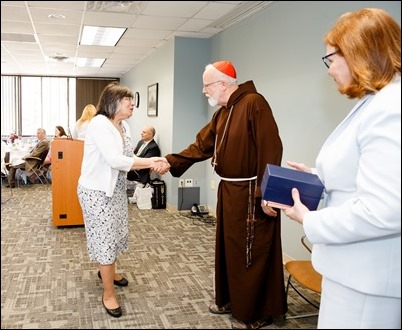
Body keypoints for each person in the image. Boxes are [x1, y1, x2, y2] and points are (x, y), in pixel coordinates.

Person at [281, 8, 401, 329]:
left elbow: (386, 209)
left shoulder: (390, 107)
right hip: (353, 271)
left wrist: (310, 219)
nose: (329, 69)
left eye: (331, 59)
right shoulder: (374, 102)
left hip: (368, 279)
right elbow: (360, 176)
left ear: (359, 53)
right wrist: (316, 178)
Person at [162, 61, 287, 328]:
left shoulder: (255, 103)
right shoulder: (224, 112)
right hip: (229, 190)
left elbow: (271, 149)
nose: (204, 91)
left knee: (250, 253)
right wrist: (170, 161)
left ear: (223, 84)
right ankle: (231, 299)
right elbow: (201, 145)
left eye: (206, 86)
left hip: (252, 193)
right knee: (230, 251)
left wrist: (267, 193)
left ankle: (256, 311)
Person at [77, 82, 169, 318]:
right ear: (113, 102)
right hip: (97, 191)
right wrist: (152, 161)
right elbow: (115, 160)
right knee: (105, 238)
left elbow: (129, 156)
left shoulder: (123, 125)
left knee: (116, 234)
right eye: (129, 101)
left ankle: (109, 272)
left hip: (115, 190)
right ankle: (108, 293)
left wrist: (153, 162)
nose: (133, 105)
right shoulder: (98, 124)